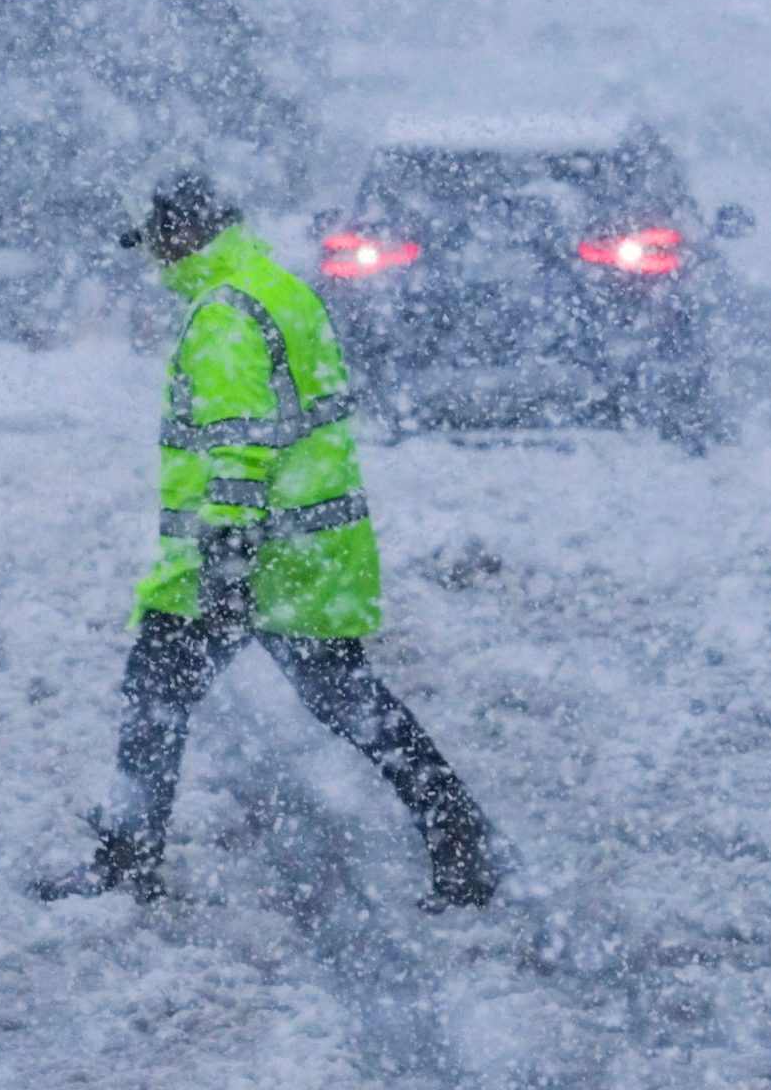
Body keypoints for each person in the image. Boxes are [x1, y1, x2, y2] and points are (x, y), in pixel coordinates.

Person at [32, 172, 501, 911]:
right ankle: (461, 836)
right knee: (349, 702)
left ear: (181, 233)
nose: (153, 262)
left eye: (155, 242)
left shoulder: (223, 314)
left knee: (153, 701)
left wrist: (225, 569)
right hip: (308, 552)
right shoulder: (279, 289)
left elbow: (240, 455)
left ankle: (126, 865)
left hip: (240, 557)